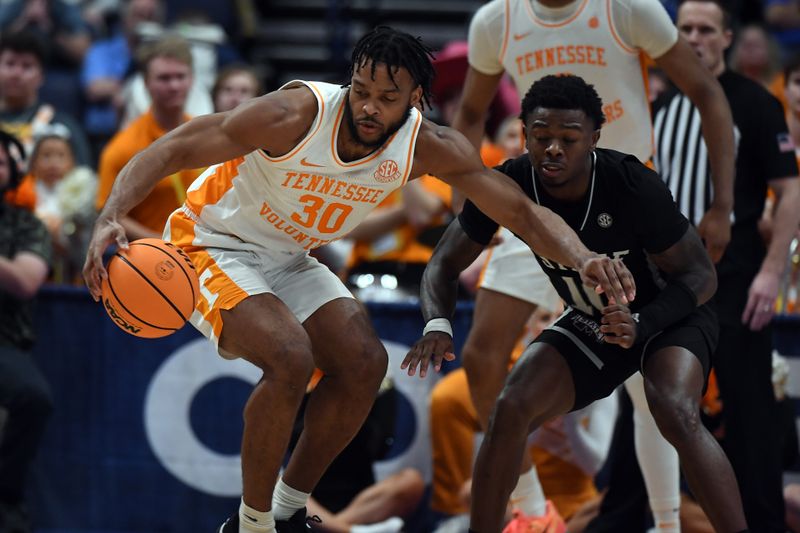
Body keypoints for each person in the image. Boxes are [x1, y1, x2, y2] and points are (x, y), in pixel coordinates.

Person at [81, 27, 635, 533]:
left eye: (388, 98)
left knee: (366, 365)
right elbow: (177, 146)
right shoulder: (296, 114)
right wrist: (110, 213)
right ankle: (251, 527)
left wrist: (583, 256)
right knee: (290, 357)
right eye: (362, 90)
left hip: (289, 255)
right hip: (209, 243)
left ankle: (288, 511)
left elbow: (519, 210)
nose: (369, 107)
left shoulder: (427, 147)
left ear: (416, 99)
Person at [402, 74, 749, 533]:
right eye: (541, 137)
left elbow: (701, 276)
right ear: (524, 133)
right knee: (509, 409)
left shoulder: (630, 183)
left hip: (671, 313)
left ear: (594, 139)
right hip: (595, 319)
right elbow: (442, 265)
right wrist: (437, 324)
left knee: (672, 408)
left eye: (568, 139)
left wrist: (644, 324)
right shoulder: (508, 184)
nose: (553, 150)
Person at [652, 2, 800, 531]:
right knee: (654, 402)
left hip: (735, 272)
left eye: (705, 30)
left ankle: (760, 522)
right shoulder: (664, 100)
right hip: (667, 277)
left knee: (749, 409)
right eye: (684, 28)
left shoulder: (756, 103)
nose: (694, 38)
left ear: (727, 37)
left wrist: (772, 271)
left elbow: (789, 190)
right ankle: (644, 514)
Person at [95, 35, 205, 241]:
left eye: (181, 76)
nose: (174, 86)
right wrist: (162, 243)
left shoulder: (205, 133)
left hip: (208, 253)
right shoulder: (123, 147)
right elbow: (108, 213)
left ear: (192, 79)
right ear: (145, 83)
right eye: (164, 78)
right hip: (153, 261)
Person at [0, 130, 53, 533]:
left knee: (34, 397)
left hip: (4, 341)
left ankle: (7, 498)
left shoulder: (26, 224)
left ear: (14, 172)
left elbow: (25, 281)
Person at [0, 31, 92, 167]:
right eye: (10, 64)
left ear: (41, 76)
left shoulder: (62, 126)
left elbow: (83, 177)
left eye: (26, 66)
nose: (16, 74)